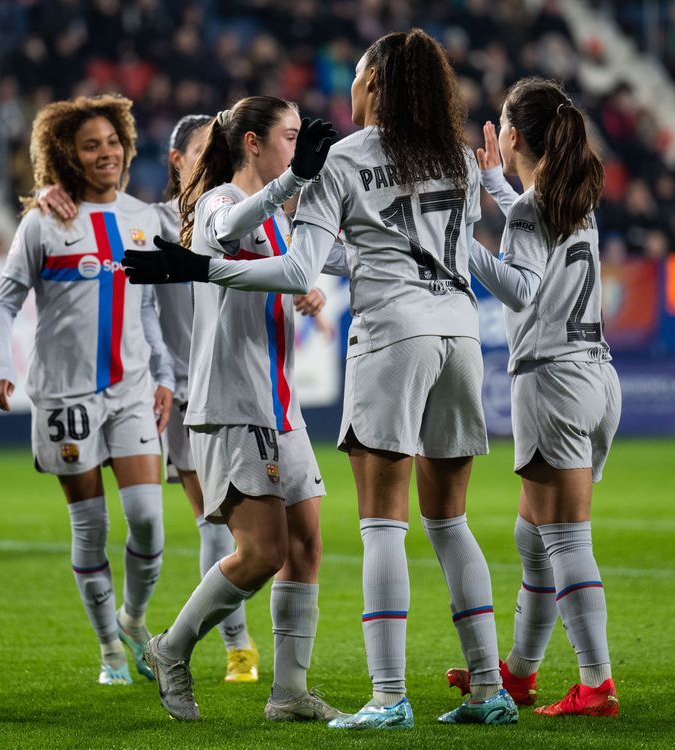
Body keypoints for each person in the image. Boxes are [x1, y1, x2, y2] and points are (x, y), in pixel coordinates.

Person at [126, 30, 516, 729]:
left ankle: (388, 694)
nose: (352, 89)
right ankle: (489, 689)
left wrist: (202, 267)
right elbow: (397, 249)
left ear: (378, 84)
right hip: (459, 335)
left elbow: (306, 268)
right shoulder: (458, 158)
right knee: (450, 522)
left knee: (380, 526)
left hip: (392, 338)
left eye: (362, 76)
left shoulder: (345, 157)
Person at [126, 95, 343, 723]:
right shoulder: (221, 199)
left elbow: (309, 263)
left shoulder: (281, 215)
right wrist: (294, 179)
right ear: (253, 143)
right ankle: (172, 647)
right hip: (235, 402)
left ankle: (290, 691)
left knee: (306, 545)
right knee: (261, 552)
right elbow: (220, 235)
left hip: (282, 403)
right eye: (289, 136)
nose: (299, 147)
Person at [36, 114, 263, 683]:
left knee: (233, 524)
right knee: (215, 523)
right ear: (177, 162)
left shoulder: (231, 214)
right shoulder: (155, 220)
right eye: (200, 152)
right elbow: (101, 215)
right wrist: (48, 190)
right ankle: (236, 644)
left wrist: (305, 288)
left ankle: (162, 628)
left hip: (231, 382)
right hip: (178, 394)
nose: (212, 160)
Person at [446, 78, 623, 717]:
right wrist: (497, 188)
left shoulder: (533, 207)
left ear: (513, 136)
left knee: (566, 539)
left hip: (552, 381)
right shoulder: (574, 199)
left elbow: (520, 286)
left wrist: (455, 239)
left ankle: (596, 683)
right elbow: (532, 225)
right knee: (533, 535)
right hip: (596, 380)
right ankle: (519, 672)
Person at [0, 93, 174, 687]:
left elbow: (146, 310)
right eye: (91, 145)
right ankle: (109, 653)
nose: (106, 153)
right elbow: (4, 302)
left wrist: (164, 375)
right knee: (91, 527)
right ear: (68, 154)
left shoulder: (143, 219)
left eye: (112, 141)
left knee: (147, 519)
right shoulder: (44, 221)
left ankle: (133, 619)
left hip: (130, 389)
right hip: (64, 396)